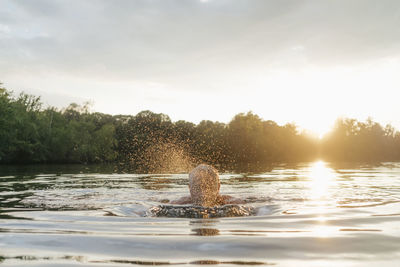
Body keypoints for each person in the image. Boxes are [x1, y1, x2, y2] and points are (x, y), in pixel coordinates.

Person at [171, 164, 243, 207]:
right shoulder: (179, 204)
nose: (203, 194)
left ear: (218, 187)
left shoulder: (231, 203)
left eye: (209, 187)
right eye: (198, 188)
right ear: (190, 188)